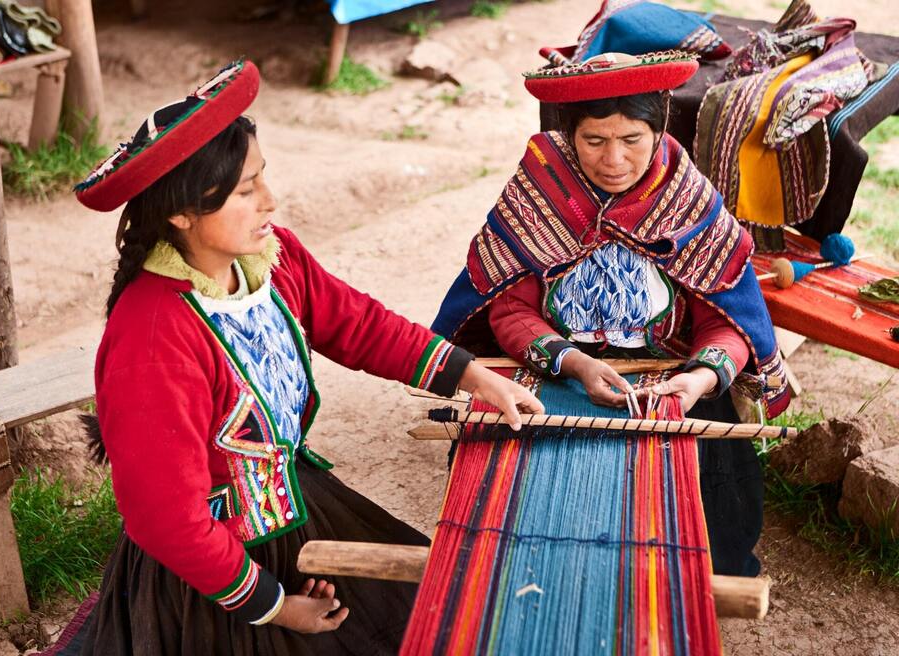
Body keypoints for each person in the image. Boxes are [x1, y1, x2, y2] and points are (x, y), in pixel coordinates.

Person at [44, 60, 542, 656]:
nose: (270, 202)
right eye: (246, 190)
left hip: (293, 506)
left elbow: (356, 323)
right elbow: (167, 520)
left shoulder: (271, 261)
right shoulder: (152, 337)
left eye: (264, 178)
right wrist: (277, 608)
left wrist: (474, 376)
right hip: (209, 572)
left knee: (435, 620)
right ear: (181, 213)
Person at [432, 51, 791, 577]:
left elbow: (727, 319)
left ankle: (685, 584)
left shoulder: (687, 202)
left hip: (667, 373)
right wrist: (574, 363)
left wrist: (697, 381)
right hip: (557, 367)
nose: (614, 160)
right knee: (497, 483)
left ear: (659, 129)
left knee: (718, 496)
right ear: (568, 134)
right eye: (594, 141)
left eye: (632, 140)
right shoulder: (540, 192)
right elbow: (509, 308)